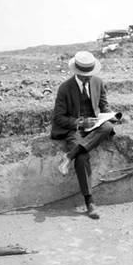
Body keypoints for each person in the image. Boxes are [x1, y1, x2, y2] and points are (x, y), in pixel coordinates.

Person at [51, 51, 116, 219]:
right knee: (81, 157)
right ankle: (89, 202)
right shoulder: (65, 88)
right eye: (84, 76)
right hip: (75, 129)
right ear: (77, 72)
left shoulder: (98, 82)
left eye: (90, 75)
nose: (88, 78)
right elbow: (59, 117)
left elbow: (104, 105)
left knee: (108, 126)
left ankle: (69, 156)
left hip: (95, 126)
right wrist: (79, 123)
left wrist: (111, 115)